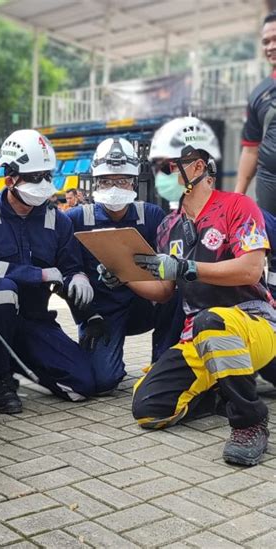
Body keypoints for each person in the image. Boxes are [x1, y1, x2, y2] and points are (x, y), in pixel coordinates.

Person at [121, 116, 275, 466]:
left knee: (212, 321)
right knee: (147, 408)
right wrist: (122, 272)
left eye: (167, 166)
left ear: (199, 166)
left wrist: (188, 267)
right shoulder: (168, 227)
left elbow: (251, 268)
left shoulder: (238, 206)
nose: (160, 174)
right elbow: (163, 292)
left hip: (255, 325)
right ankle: (216, 388)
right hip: (201, 337)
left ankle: (250, 421)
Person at [0, 129, 96, 413]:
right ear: (10, 178)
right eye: (36, 177)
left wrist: (78, 278)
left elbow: (70, 266)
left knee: (84, 383)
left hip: (36, 321)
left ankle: (21, 360)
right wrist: (40, 275)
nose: (45, 184)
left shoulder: (57, 221)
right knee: (3, 290)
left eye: (47, 175)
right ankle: (0, 380)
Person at [66, 137, 184, 393]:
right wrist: (86, 315)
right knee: (103, 381)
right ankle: (105, 360)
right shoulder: (77, 219)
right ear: (95, 181)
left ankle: (162, 363)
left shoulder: (151, 216)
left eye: (122, 180)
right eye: (107, 180)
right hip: (102, 311)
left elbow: (167, 274)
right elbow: (67, 271)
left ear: (133, 180)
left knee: (180, 289)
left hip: (143, 302)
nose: (114, 187)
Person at [236, 10, 276, 298]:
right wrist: (239, 195)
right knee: (272, 253)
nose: (270, 46)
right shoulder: (260, 93)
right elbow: (250, 149)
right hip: (269, 183)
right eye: (265, 41)